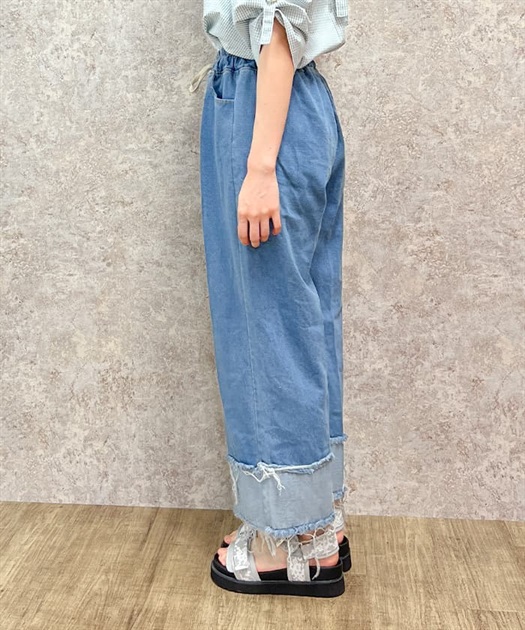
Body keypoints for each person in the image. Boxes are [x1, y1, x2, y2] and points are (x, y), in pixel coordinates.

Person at [189, 0, 352, 598]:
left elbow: (277, 27)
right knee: (304, 321)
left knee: (266, 330)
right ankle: (319, 522)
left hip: (264, 115)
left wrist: (259, 169)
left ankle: (287, 543)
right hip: (293, 106)